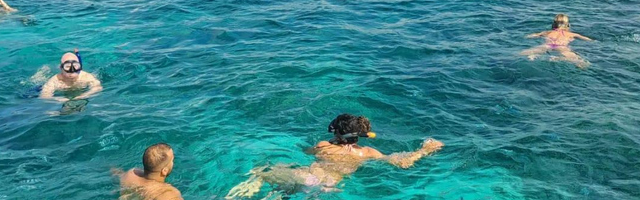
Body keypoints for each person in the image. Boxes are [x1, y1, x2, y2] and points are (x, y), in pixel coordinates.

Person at [226, 114, 444, 198]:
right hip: (330, 187)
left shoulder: (323, 145)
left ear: (337, 133)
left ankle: (245, 192)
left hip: (307, 177)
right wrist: (424, 150)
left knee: (262, 173)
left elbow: (307, 152)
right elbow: (401, 162)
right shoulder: (367, 153)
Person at [520, 14, 594, 68]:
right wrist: (593, 41)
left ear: (553, 24)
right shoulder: (571, 34)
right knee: (580, 62)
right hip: (562, 47)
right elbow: (587, 39)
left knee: (522, 54)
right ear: (568, 25)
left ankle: (533, 56)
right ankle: (558, 59)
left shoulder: (547, 32)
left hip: (547, 45)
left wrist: (527, 36)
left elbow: (531, 36)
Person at [119, 143, 183, 200]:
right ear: (164, 171)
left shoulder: (130, 174)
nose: (173, 162)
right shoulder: (168, 193)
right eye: (172, 160)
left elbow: (117, 173)